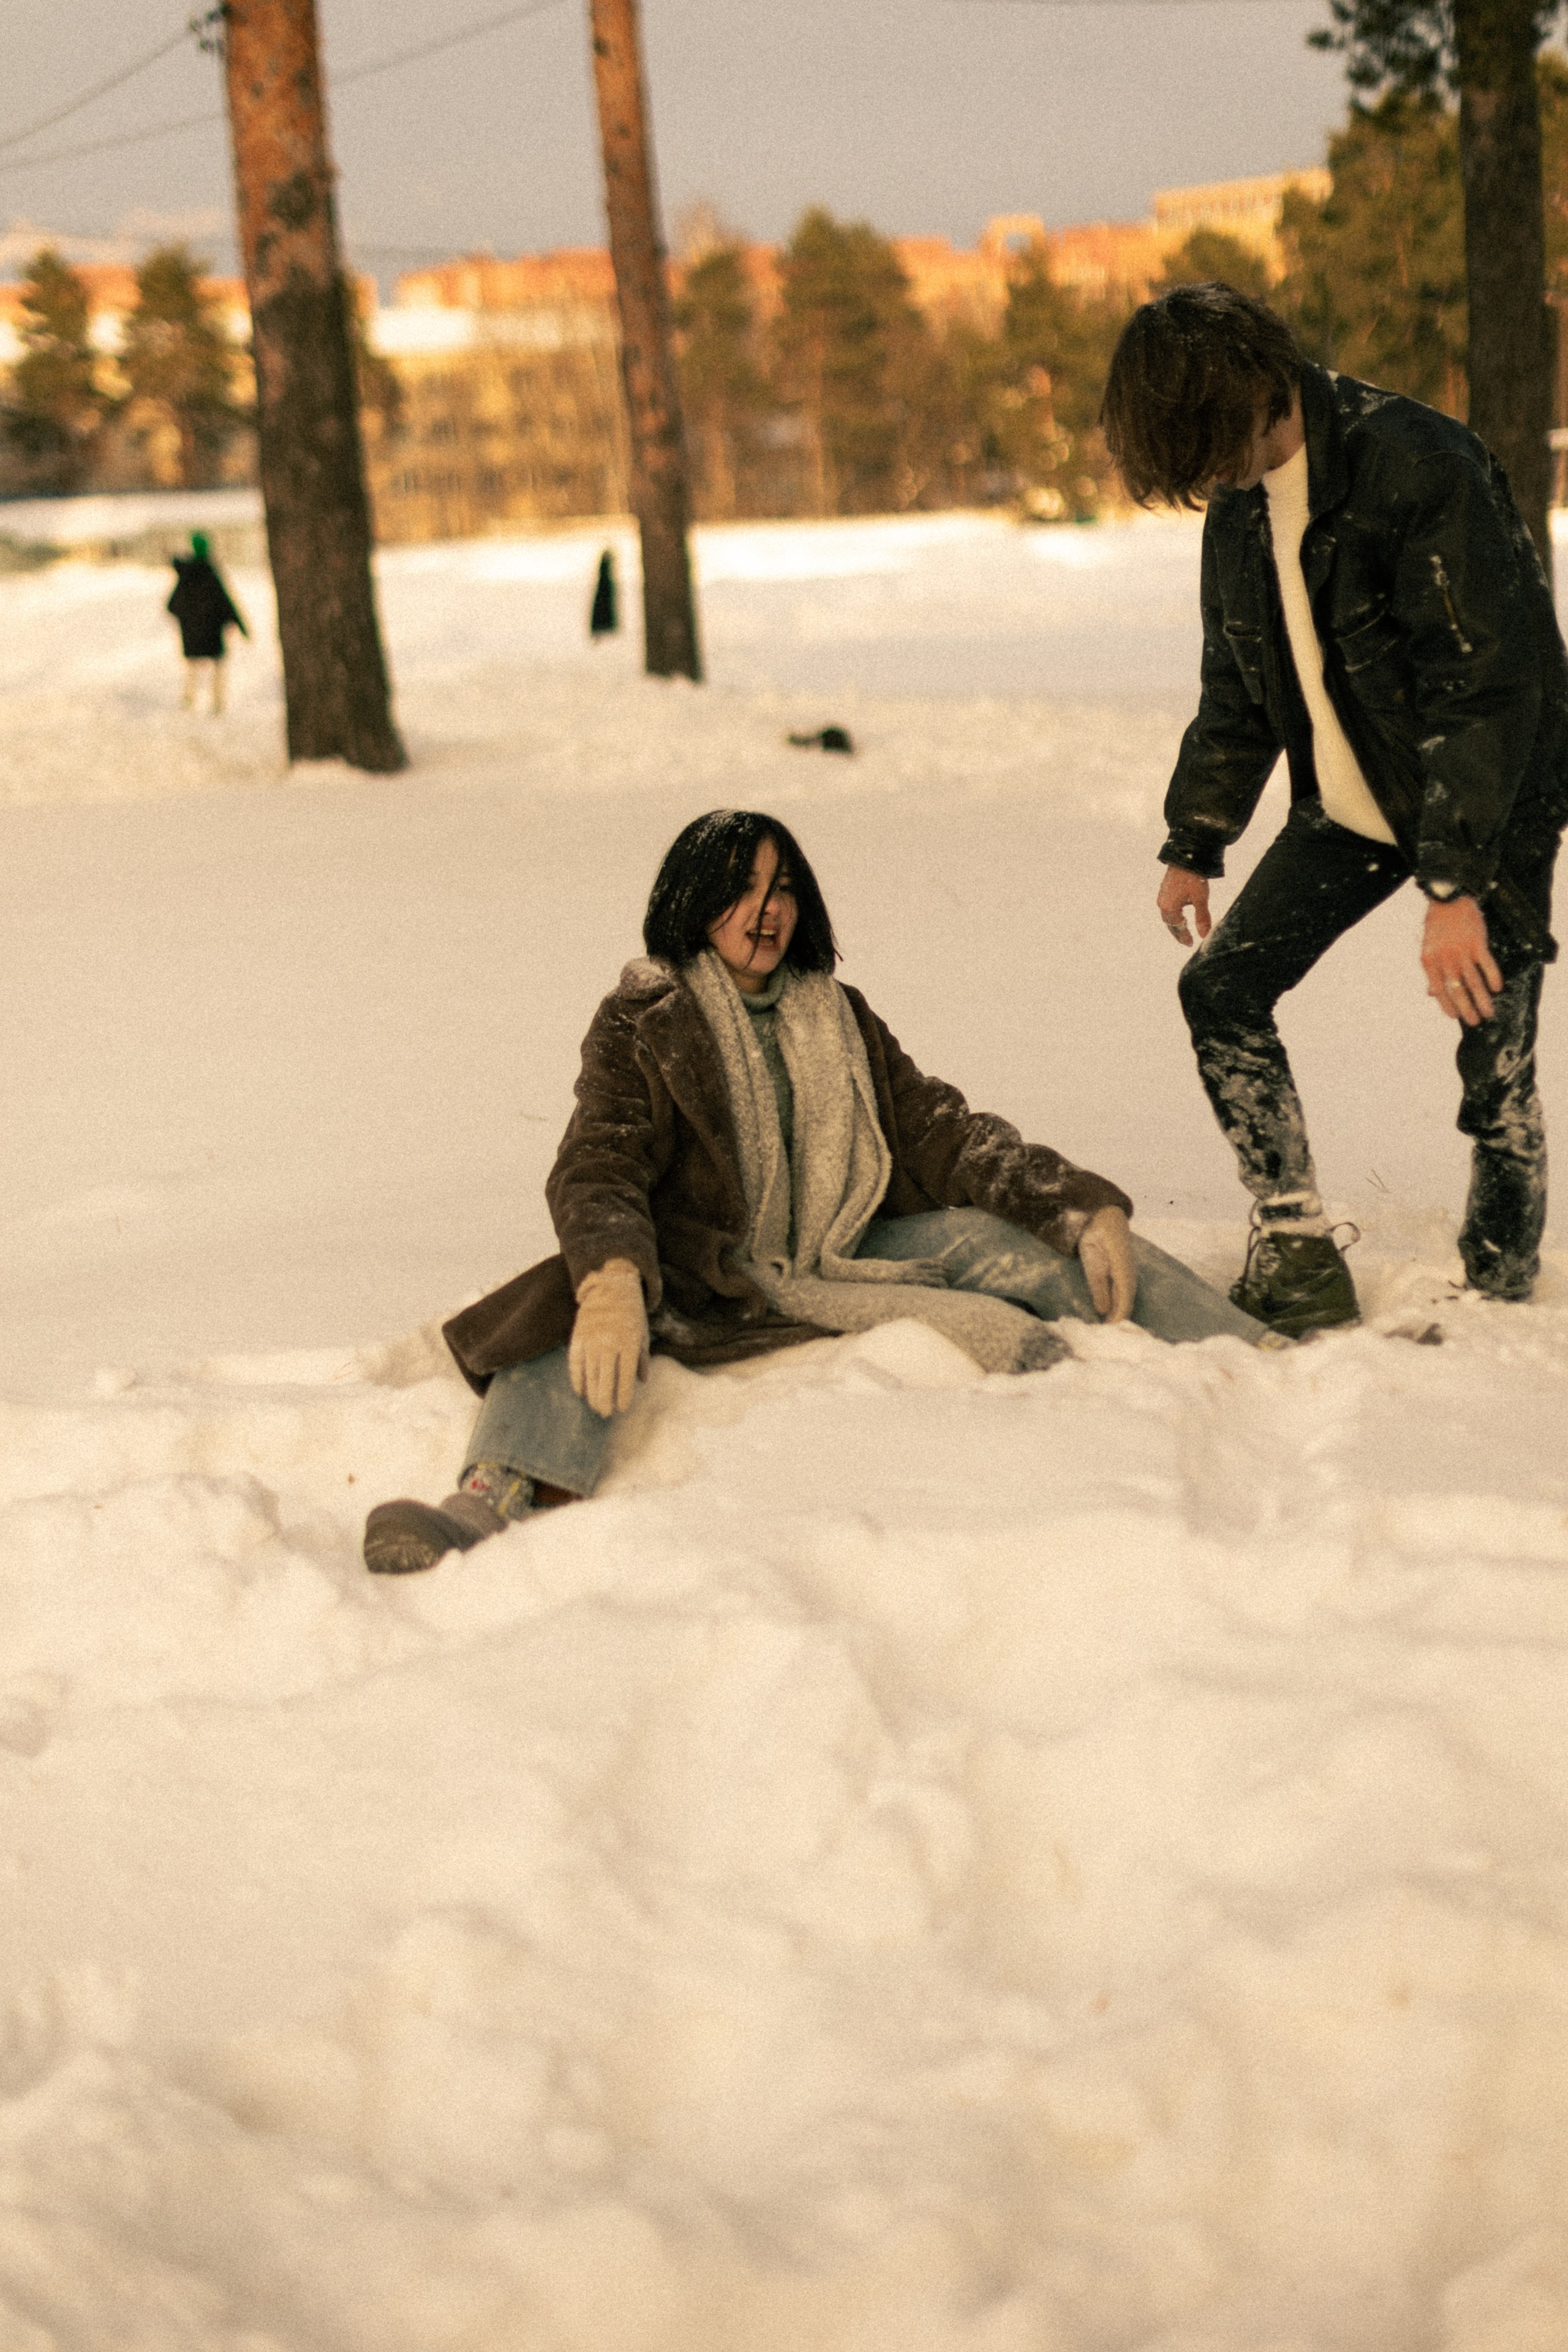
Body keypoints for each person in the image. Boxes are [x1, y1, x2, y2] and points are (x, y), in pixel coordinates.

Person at [363, 809, 1276, 1575]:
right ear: (693, 902)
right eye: (744, 889)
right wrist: (610, 1278)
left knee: (1005, 1234)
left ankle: (1263, 1352)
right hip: (707, 1269)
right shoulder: (645, 1019)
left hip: (842, 1245)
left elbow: (938, 1129)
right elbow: (599, 1162)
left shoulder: (838, 1013)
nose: (768, 912)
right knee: (564, 1297)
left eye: (784, 888)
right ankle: (492, 1498)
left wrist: (1073, 1201)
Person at [1101, 282, 1568, 1335]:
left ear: (1255, 392)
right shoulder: (1237, 499)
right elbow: (1237, 684)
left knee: (1490, 1038)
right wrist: (1197, 840)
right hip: (1351, 800)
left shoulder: (1418, 466)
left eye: (1209, 449)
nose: (1207, 484)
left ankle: (1497, 1291)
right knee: (1221, 990)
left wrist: (1456, 886)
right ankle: (1299, 1244)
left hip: (1491, 791)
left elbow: (1485, 688)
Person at [167, 530, 248, 712]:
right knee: (218, 666)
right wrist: (240, 626)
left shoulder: (186, 577)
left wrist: (189, 618)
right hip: (212, 634)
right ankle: (217, 702)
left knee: (192, 667)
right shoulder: (210, 574)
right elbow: (226, 602)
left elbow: (172, 606)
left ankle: (188, 698)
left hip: (191, 635)